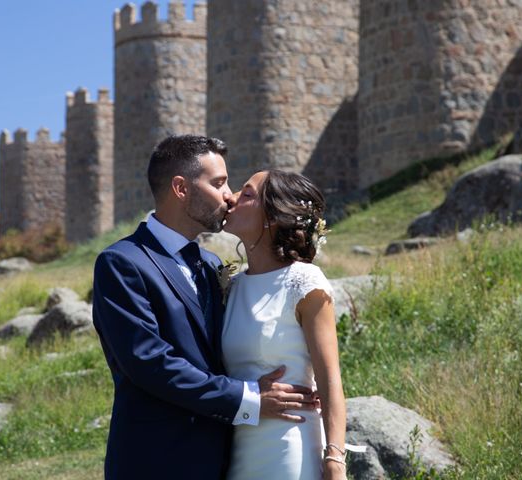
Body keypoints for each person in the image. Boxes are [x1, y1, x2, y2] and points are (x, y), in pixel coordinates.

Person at [92, 135, 318, 480]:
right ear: (181, 188)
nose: (228, 196)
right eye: (219, 183)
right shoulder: (122, 262)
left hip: (228, 459)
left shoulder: (212, 264)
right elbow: (149, 361)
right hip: (156, 461)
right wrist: (250, 398)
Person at [222, 169, 348, 480]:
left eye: (247, 194)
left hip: (287, 446)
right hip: (235, 449)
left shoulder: (304, 282)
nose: (231, 198)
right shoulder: (229, 286)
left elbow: (330, 378)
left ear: (272, 218)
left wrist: (335, 457)